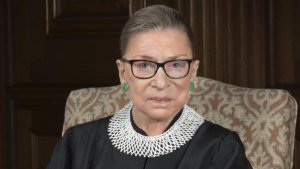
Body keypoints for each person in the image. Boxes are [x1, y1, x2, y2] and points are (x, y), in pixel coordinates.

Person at [46, 4, 253, 169]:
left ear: (193, 71)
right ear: (123, 73)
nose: (161, 83)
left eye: (176, 65)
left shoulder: (222, 149)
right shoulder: (79, 143)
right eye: (144, 65)